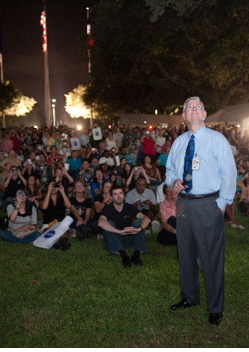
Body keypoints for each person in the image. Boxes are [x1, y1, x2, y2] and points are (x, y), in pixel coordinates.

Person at [164, 96, 236, 326]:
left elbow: (229, 173)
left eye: (198, 107)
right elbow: (169, 170)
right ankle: (189, 297)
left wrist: (221, 204)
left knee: (211, 257)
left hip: (208, 204)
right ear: (184, 116)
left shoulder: (217, 140)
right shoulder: (178, 143)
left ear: (204, 114)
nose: (194, 110)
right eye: (189, 108)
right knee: (185, 254)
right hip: (183, 203)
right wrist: (173, 180)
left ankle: (215, 307)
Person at [98, 187, 149, 268]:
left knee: (139, 221)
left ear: (124, 196)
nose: (118, 196)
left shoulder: (129, 207)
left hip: (128, 238)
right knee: (108, 223)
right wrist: (118, 231)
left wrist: (137, 229)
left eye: (120, 193)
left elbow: (146, 218)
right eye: (115, 194)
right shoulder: (107, 208)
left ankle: (136, 254)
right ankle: (124, 255)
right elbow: (101, 223)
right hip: (113, 240)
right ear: (111, 197)